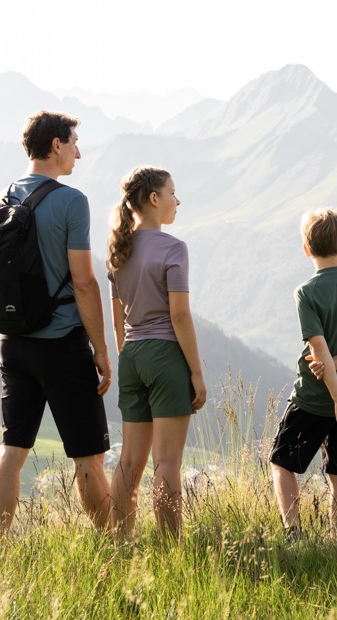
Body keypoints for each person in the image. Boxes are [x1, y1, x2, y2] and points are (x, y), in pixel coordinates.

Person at [0, 111, 114, 536]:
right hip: (61, 342)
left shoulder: (3, 196)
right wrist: (101, 349)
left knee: (12, 450)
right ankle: (110, 545)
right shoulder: (71, 200)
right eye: (74, 142)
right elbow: (84, 281)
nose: (78, 152)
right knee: (87, 456)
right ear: (55, 145)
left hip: (13, 341)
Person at [107, 166, 206, 540]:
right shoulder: (172, 248)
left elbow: (119, 323)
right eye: (172, 193)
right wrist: (195, 373)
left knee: (129, 463)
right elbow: (179, 314)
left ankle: (120, 543)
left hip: (131, 355)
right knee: (166, 462)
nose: (176, 201)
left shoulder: (119, 249)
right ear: (153, 199)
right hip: (165, 357)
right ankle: (169, 549)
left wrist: (128, 359)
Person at [269, 207, 337, 539]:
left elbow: (318, 350)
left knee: (282, 463)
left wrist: (335, 393)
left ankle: (294, 532)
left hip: (315, 396)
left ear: (306, 249)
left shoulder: (306, 292)